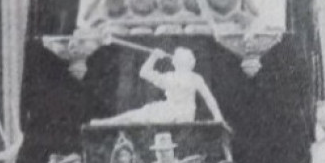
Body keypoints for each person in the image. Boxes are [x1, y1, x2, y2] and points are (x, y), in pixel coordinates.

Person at [90, 48, 226, 128]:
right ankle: (107, 122)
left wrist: (218, 118)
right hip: (169, 109)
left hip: (183, 114)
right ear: (175, 61)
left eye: (186, 59)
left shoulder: (194, 78)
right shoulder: (169, 76)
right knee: (138, 114)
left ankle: (107, 122)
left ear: (190, 62)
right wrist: (153, 57)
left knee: (140, 115)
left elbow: (209, 98)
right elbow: (144, 73)